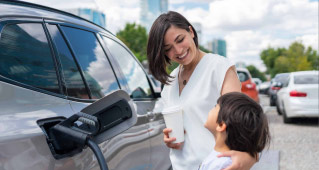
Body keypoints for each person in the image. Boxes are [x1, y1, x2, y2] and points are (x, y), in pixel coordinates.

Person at [147, 11, 257, 170]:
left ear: (191, 32)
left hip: (216, 165)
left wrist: (249, 156)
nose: (178, 51)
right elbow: (186, 125)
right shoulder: (170, 81)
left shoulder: (219, 68)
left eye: (180, 40)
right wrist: (169, 138)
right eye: (168, 48)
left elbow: (243, 125)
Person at [199, 92, 271, 170]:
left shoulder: (222, 165)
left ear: (221, 125)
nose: (211, 109)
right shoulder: (223, 160)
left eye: (215, 106)